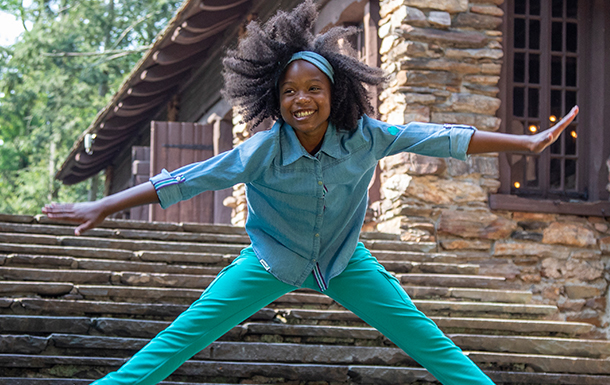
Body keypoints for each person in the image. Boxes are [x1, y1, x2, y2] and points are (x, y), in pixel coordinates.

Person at [43, 1, 579, 384]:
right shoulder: (262, 150)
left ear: (334, 92)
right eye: (290, 92)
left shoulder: (367, 136)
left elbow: (440, 137)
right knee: (181, 337)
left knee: (429, 341)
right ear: (275, 101)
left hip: (346, 261)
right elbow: (187, 179)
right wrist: (104, 204)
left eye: (313, 89)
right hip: (271, 259)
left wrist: (526, 143)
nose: (302, 100)